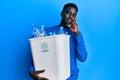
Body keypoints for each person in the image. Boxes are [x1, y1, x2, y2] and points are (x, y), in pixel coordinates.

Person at [29, 3, 87, 80]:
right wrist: (31, 71)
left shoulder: (76, 35)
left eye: (73, 15)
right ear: (61, 13)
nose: (70, 16)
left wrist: (77, 34)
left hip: (71, 77)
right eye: (68, 12)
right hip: (50, 76)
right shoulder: (46, 32)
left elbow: (83, 58)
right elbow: (37, 53)